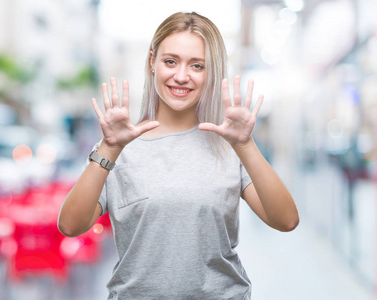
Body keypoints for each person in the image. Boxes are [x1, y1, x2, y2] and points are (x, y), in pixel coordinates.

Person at [58, 11, 299, 300]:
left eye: (197, 65)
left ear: (211, 73)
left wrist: (246, 145)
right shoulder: (118, 145)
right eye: (170, 61)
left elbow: (286, 221)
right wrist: (109, 148)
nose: (181, 76)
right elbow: (70, 226)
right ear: (152, 62)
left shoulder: (229, 145)